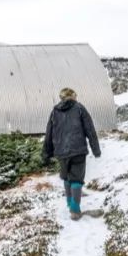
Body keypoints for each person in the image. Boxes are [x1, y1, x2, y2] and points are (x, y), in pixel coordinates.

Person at [42, 87, 102, 220]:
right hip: (78, 150)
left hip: (61, 152)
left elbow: (49, 133)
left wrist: (46, 153)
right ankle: (75, 210)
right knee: (76, 178)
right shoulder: (79, 108)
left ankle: (70, 203)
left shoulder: (54, 111)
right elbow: (90, 130)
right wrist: (96, 150)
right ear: (73, 96)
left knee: (67, 177)